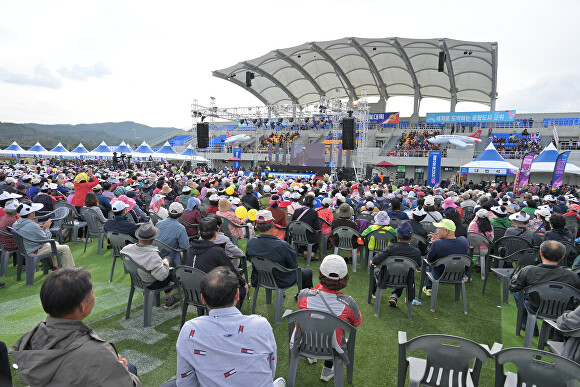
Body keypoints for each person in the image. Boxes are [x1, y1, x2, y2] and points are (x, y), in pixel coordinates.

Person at [10, 267, 141, 386]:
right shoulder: (98, 352)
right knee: (130, 368)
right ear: (82, 306)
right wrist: (124, 370)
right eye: (92, 292)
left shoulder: (32, 336)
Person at [176, 266, 284, 387]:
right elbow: (271, 370)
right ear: (237, 294)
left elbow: (185, 381)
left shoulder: (189, 330)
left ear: (203, 299)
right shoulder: (261, 325)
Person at [296, 255, 362, 382]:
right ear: (344, 278)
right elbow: (357, 322)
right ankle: (326, 371)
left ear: (320, 274)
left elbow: (303, 310)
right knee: (334, 333)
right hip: (331, 348)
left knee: (315, 323)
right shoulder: (348, 303)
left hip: (305, 342)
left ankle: (312, 353)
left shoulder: (303, 295)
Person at [509, 240, 580, 331]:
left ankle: (527, 323)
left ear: (541, 253)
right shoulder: (572, 276)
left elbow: (513, 287)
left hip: (535, 307)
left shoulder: (528, 270)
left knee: (518, 293)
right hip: (562, 310)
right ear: (562, 257)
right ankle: (553, 329)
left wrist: (516, 276)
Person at [246, 210, 313, 292]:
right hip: (281, 280)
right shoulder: (283, 245)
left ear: (256, 226)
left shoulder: (250, 242)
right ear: (272, 225)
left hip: (260, 278)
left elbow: (250, 258)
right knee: (308, 272)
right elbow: (294, 266)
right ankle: (304, 298)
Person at [187, 217, 248, 305]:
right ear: (216, 234)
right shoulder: (216, 251)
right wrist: (243, 283)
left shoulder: (189, 248)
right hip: (211, 294)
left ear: (199, 233)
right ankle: (229, 317)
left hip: (192, 292)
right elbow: (232, 271)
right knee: (241, 289)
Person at [120, 223, 181, 309]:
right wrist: (166, 262)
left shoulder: (126, 249)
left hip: (137, 279)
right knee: (169, 271)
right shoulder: (152, 255)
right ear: (153, 239)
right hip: (150, 282)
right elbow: (162, 276)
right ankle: (169, 298)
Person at [369, 222, 421, 306]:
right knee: (404, 271)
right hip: (405, 279)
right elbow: (419, 265)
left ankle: (374, 292)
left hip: (386, 277)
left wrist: (372, 261)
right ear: (411, 237)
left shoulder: (391, 248)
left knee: (376, 270)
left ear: (397, 236)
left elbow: (375, 261)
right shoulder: (416, 252)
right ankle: (395, 295)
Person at [12, 202, 75, 270]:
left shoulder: (17, 223)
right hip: (34, 250)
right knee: (66, 248)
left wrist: (42, 228)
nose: (35, 212)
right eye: (34, 211)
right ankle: (68, 271)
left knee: (55, 243)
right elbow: (46, 238)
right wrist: (47, 228)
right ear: (30, 213)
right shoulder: (32, 225)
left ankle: (55, 266)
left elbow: (31, 233)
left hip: (27, 248)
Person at [422, 219, 469, 296]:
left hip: (439, 275)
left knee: (431, 263)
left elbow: (429, 261)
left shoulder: (437, 244)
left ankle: (428, 287)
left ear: (446, 231)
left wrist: (436, 243)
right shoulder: (464, 241)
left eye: (439, 228)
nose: (437, 230)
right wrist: (439, 241)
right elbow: (452, 244)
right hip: (459, 275)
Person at [155, 202, 190, 267]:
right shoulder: (180, 228)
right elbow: (184, 246)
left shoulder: (158, 223)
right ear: (181, 214)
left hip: (156, 254)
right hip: (170, 256)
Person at [292, 195, 321, 261]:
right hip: (308, 238)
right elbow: (317, 227)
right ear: (313, 202)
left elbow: (292, 223)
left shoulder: (297, 211)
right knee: (316, 237)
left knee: (304, 233)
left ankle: (305, 252)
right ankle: (311, 255)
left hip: (296, 236)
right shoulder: (314, 212)